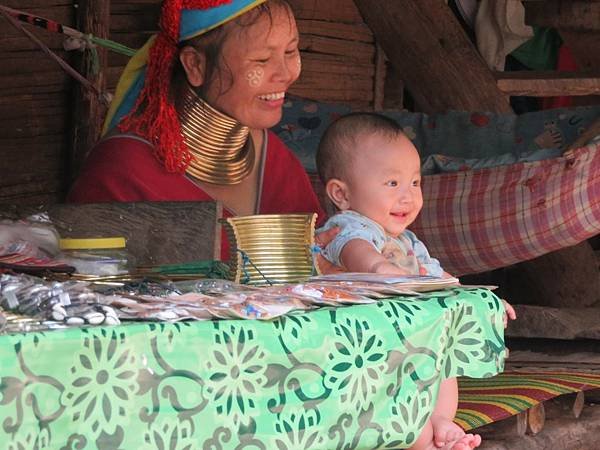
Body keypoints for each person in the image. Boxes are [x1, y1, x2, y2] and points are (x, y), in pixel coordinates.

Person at [316, 112, 516, 450]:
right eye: (392, 183)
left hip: (401, 340)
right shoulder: (346, 227)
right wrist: (382, 269)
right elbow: (359, 255)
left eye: (415, 182)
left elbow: (442, 281)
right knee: (410, 424)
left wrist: (482, 300)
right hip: (360, 345)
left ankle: (440, 418)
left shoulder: (407, 242)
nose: (408, 196)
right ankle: (421, 432)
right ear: (342, 194)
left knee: (443, 348)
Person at [67, 0, 325, 260]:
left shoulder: (274, 159)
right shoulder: (123, 170)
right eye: (262, 59)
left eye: (291, 52)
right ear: (195, 65)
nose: (285, 73)